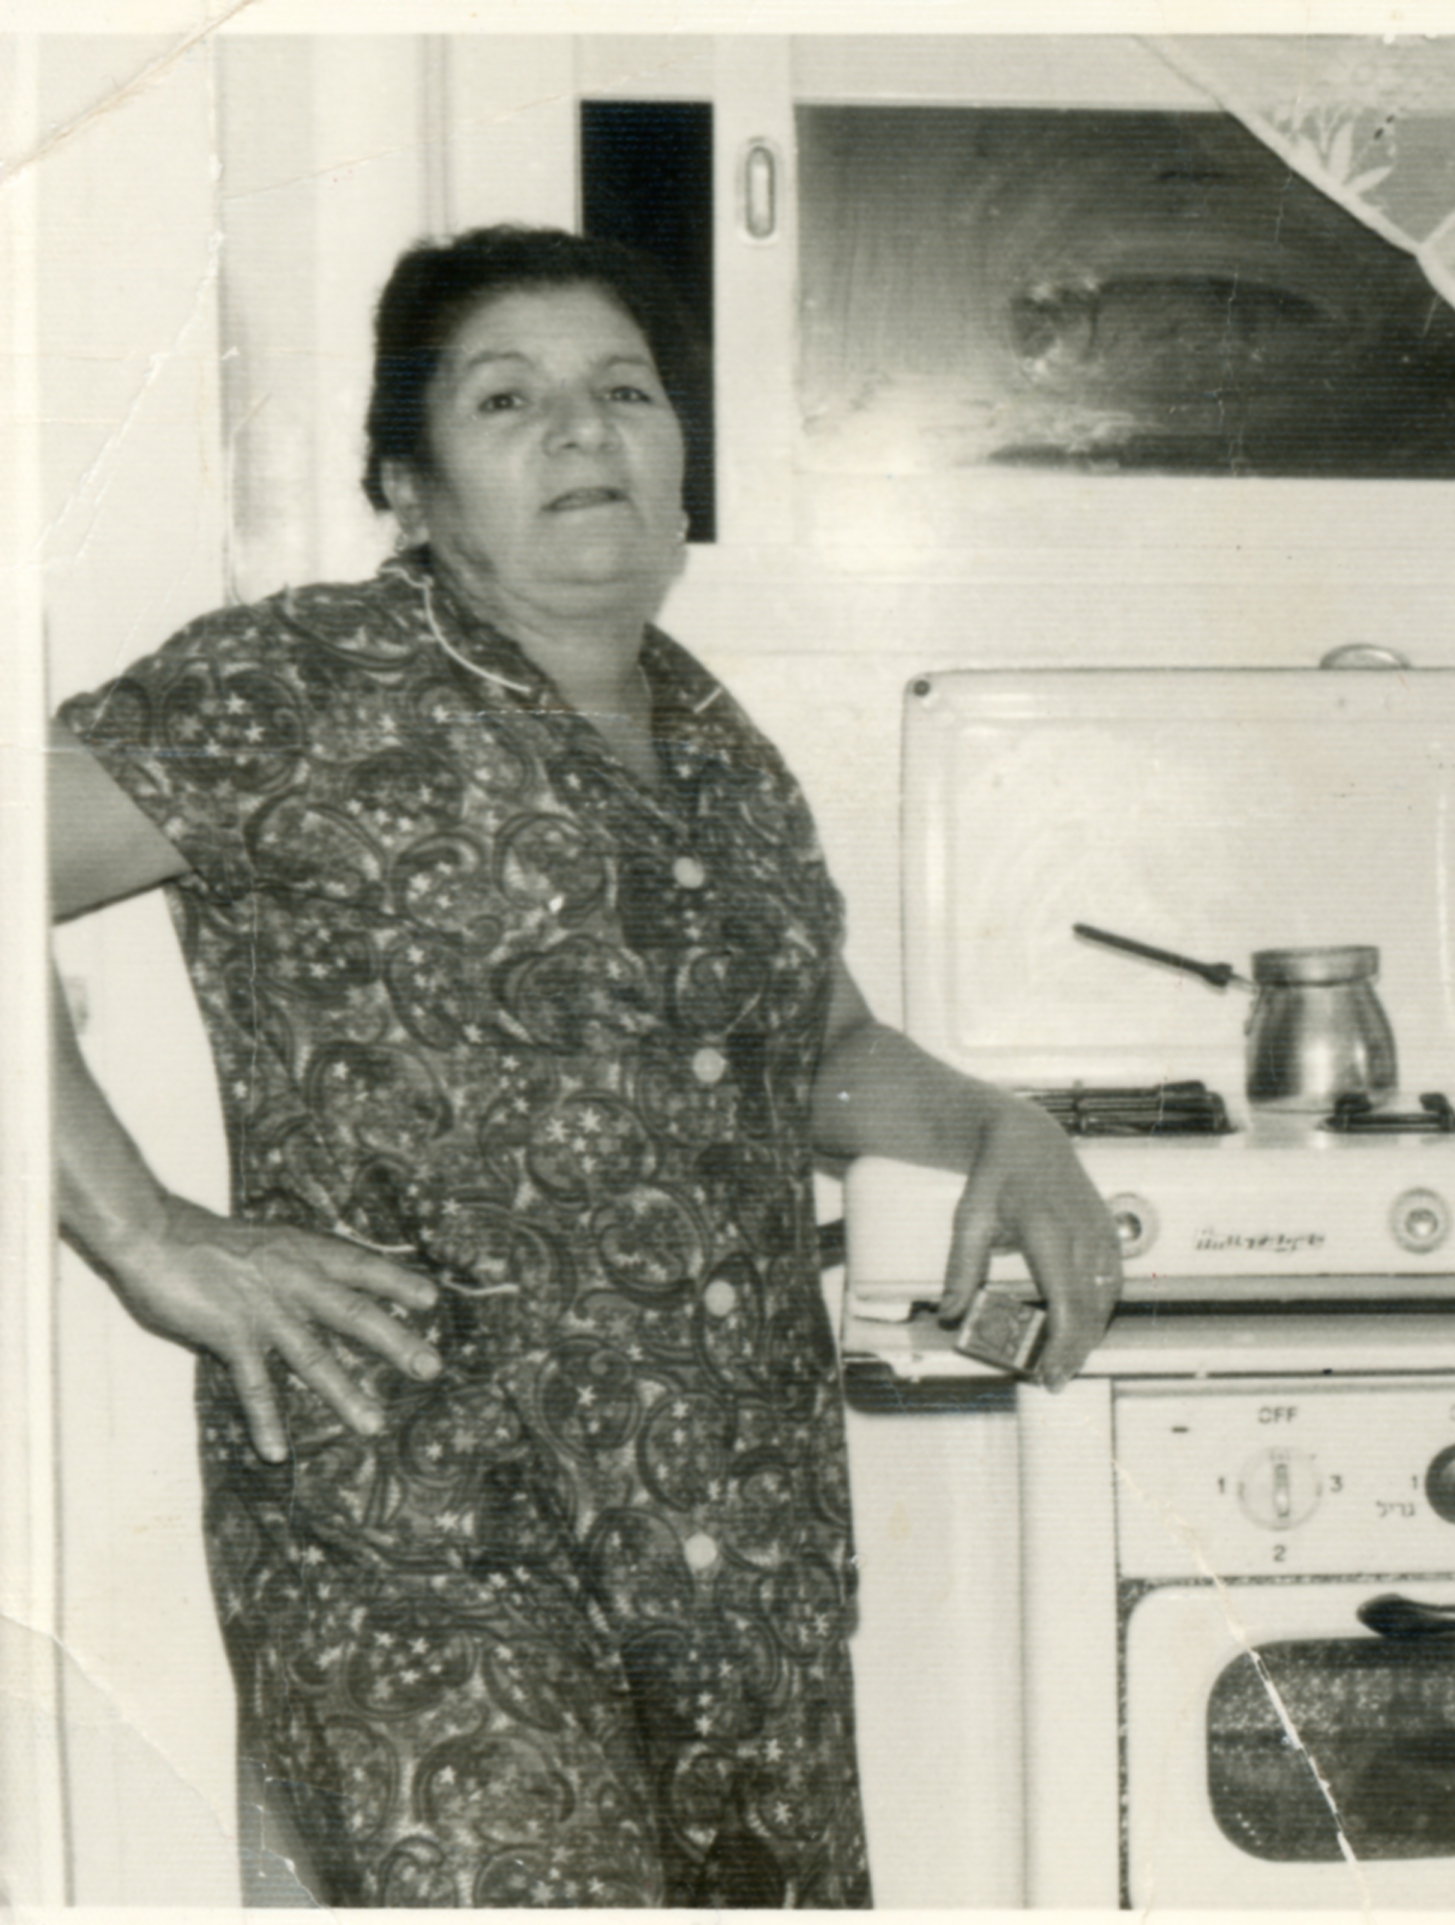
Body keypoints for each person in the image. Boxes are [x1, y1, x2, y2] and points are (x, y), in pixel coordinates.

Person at [49, 224, 1125, 1907]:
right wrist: (144, 1231)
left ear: (681, 460)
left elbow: (817, 1051)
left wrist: (1004, 1123)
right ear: (407, 487)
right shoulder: (299, 686)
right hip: (421, 1545)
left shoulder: (723, 750)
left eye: (625, 390)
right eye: (506, 398)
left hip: (741, 1559)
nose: (581, 428)